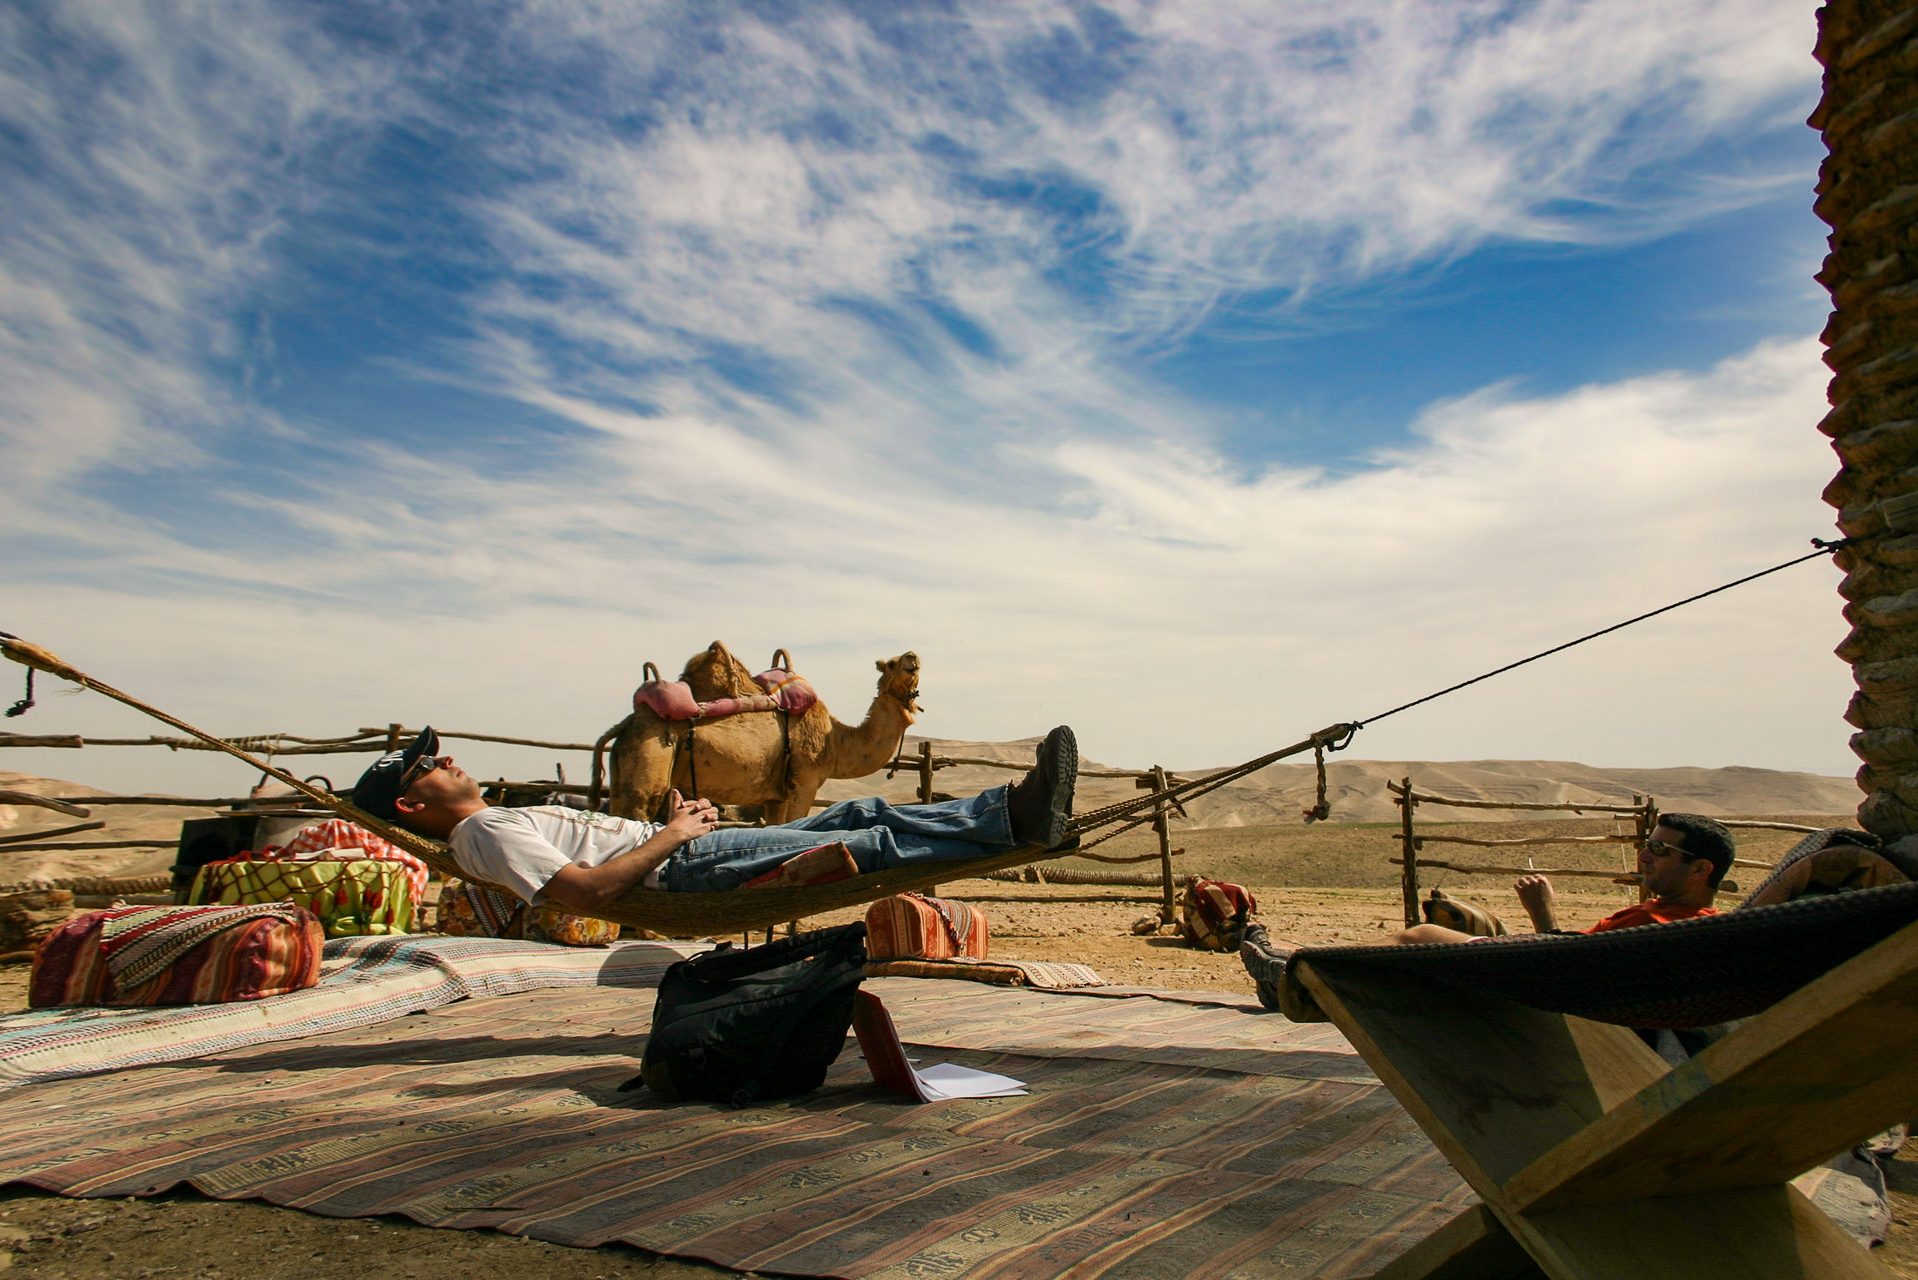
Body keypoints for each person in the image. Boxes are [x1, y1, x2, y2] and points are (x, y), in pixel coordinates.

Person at [351, 725, 1078, 915]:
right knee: (869, 841)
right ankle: (1015, 824)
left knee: (859, 809)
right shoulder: (483, 832)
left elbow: (591, 851)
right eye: (428, 765)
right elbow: (582, 893)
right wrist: (674, 836)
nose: (445, 759)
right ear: (412, 806)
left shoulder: (491, 824)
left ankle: (1007, 816)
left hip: (679, 848)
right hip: (683, 865)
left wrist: (670, 823)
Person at [1393, 812, 1735, 945]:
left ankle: (1349, 986)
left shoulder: (1652, 924)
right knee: (1464, 918)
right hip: (1555, 959)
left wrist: (1542, 911)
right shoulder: (1707, 926)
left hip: (1542, 984)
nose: (1644, 856)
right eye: (1647, 845)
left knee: (1420, 935)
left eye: (1659, 850)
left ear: (1700, 869)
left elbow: (1563, 969)